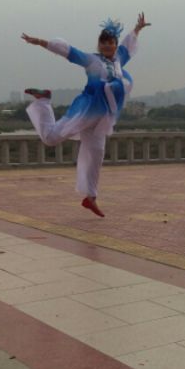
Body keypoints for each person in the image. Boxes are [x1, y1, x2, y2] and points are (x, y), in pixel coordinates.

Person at [21, 12, 150, 217]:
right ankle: (44, 101)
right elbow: (68, 51)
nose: (107, 46)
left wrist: (137, 29)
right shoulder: (91, 60)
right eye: (104, 42)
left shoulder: (119, 59)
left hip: (103, 119)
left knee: (96, 154)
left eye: (111, 42)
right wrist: (39, 42)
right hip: (86, 111)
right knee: (51, 138)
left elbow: (129, 43)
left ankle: (91, 197)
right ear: (99, 45)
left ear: (115, 45)